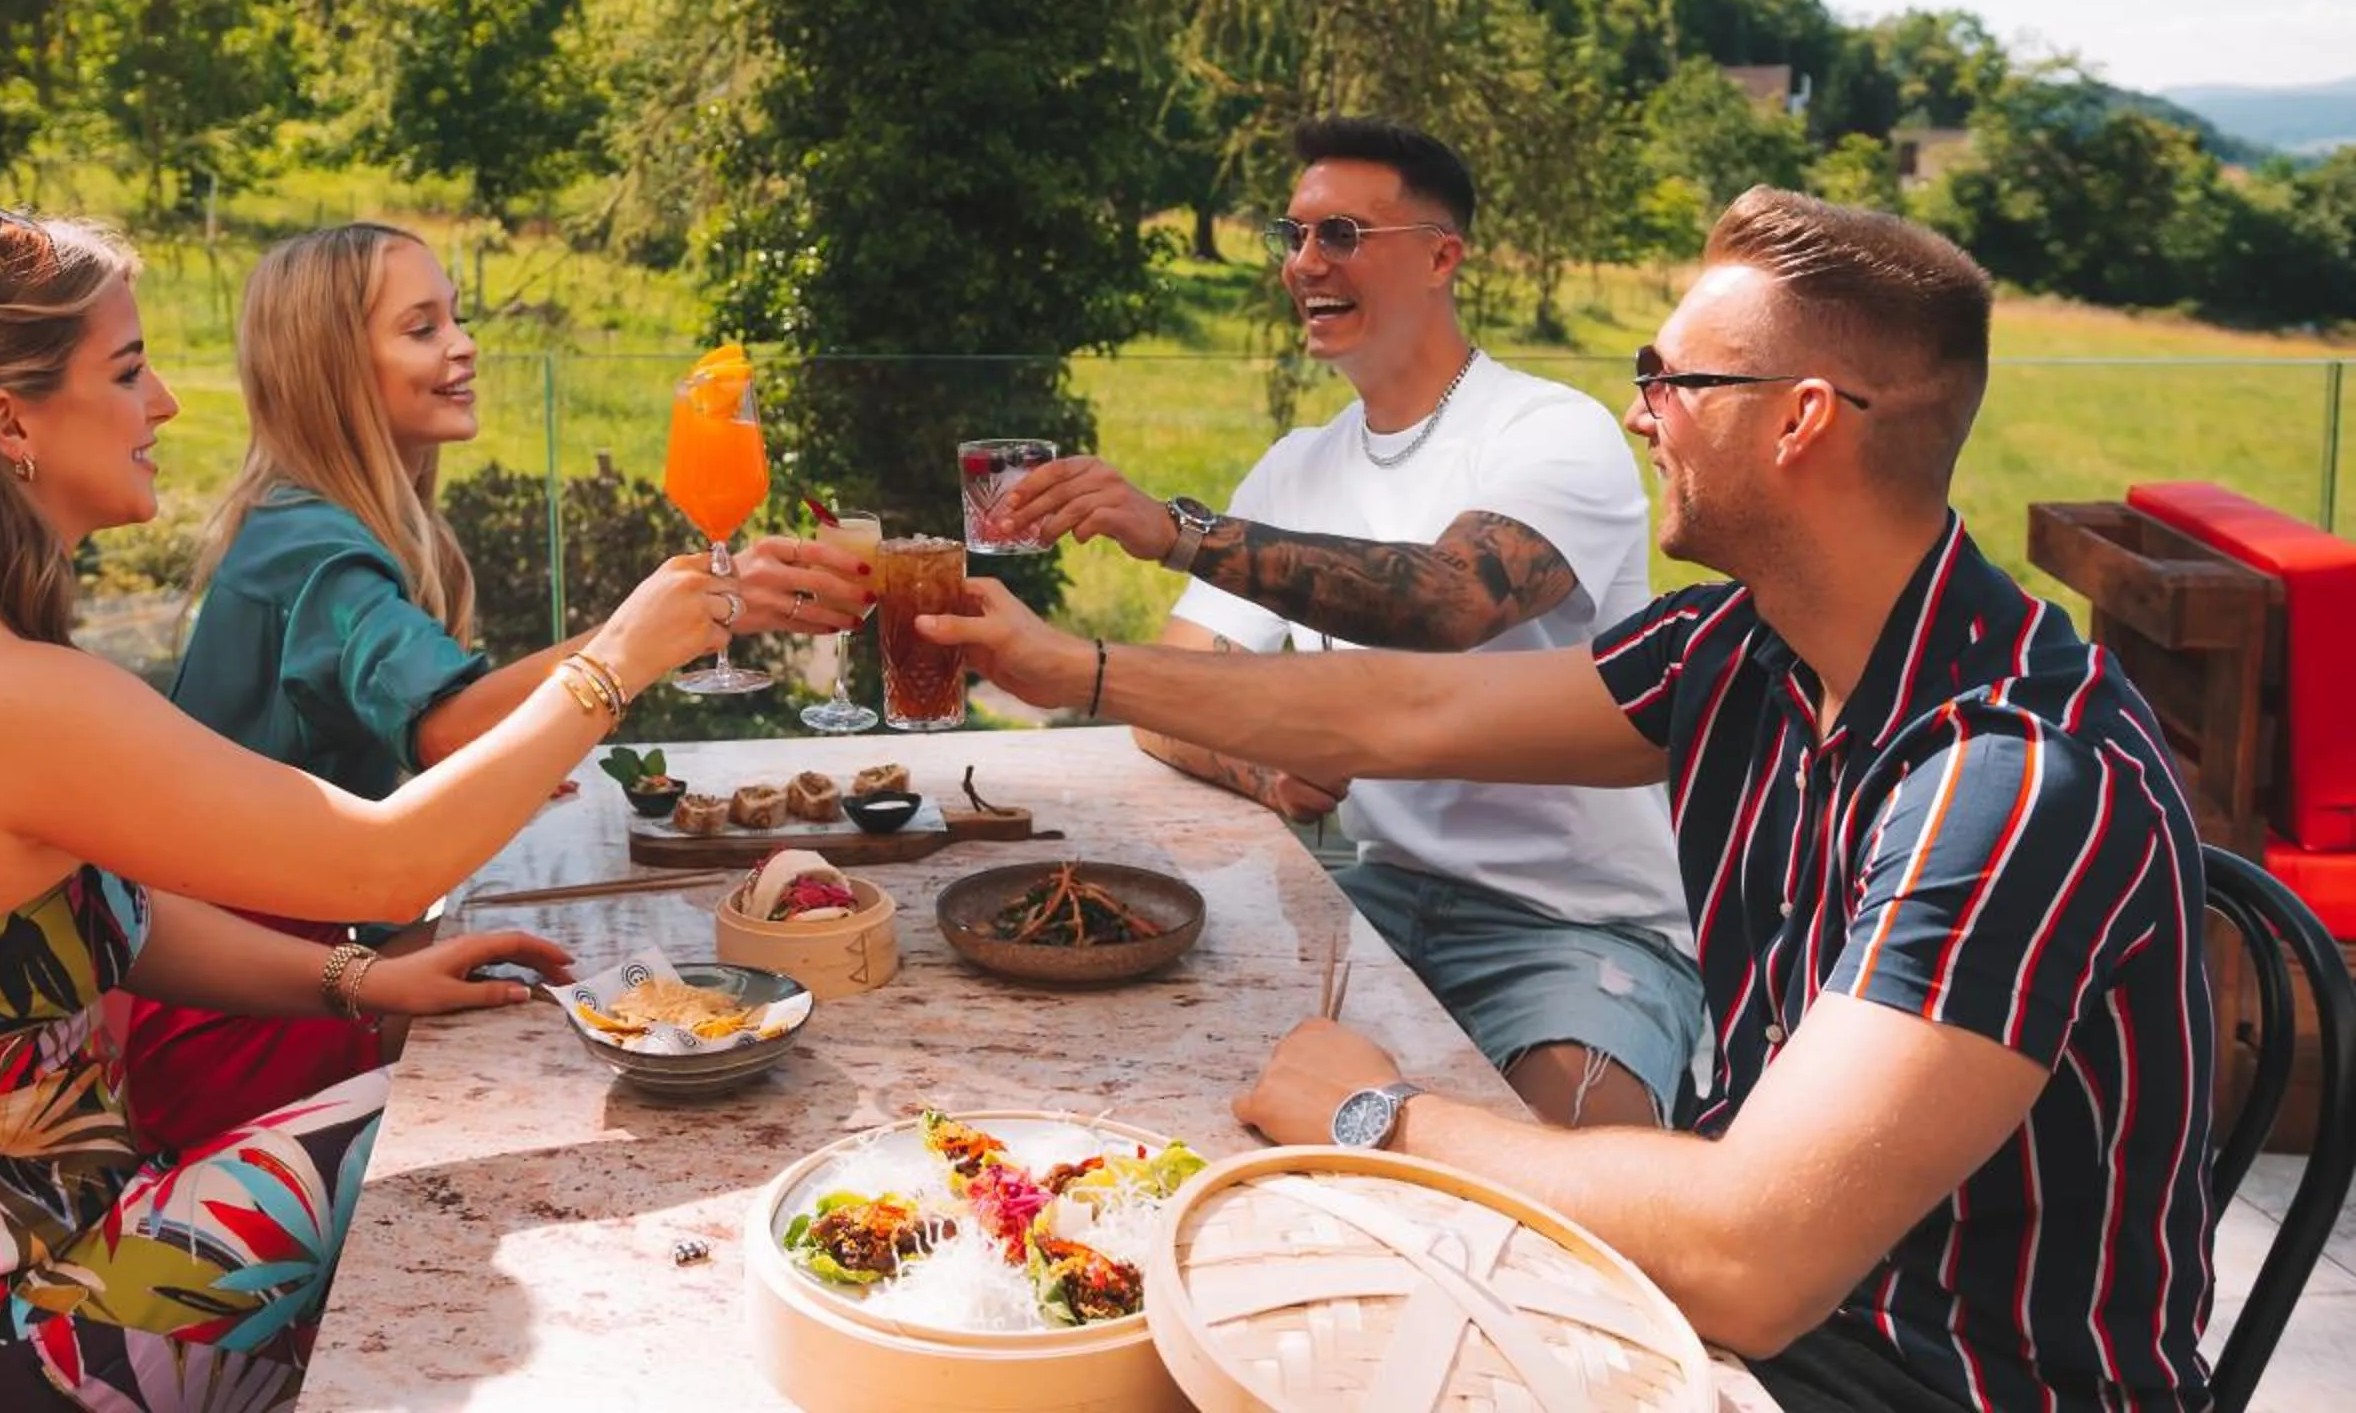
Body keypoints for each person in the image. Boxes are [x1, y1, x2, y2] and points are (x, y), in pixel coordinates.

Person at [926, 189, 2212, 1412]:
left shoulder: (2016, 783)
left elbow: (1753, 1261)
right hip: (1737, 1322)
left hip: (1913, 1379)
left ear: (1802, 419)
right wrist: (1069, 666)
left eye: (1671, 378)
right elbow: (1402, 712)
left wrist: (1380, 1120)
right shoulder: (1738, 647)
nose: (1641, 413)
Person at [0, 205, 735, 1410]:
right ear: (9, 420)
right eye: (127, 370)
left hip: (14, 1271)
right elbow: (385, 867)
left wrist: (365, 983)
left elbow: (122, 916)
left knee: (473, 1106)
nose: (164, 403)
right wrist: (617, 659)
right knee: (465, 1135)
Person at [995, 116, 1698, 1129]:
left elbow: (1447, 596)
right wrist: (1265, 768)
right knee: (1171, 1089)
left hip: (1579, 926)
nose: (1305, 262)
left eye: (1342, 235)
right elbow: (1173, 689)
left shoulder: (1551, 429)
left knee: (1573, 1184)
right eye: (1294, 235)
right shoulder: (1299, 464)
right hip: (1383, 895)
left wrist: (1177, 533)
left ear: (1442, 255)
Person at [127, 220, 872, 1145]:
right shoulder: (310, 551)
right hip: (238, 1024)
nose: (464, 343)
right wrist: (656, 628)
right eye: (422, 326)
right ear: (330, 367)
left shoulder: (316, 526)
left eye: (458, 317)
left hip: (309, 968)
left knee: (614, 988)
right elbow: (449, 727)